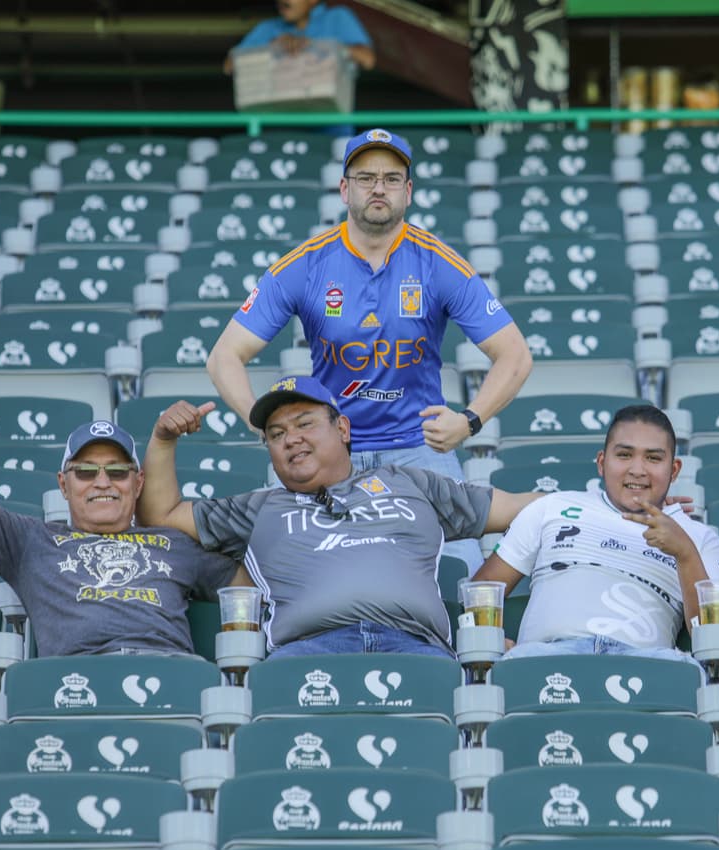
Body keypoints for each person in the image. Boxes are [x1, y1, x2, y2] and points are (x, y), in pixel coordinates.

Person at [206, 127, 533, 568]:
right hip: (330, 451)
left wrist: (469, 421)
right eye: (365, 178)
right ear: (345, 189)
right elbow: (224, 356)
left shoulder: (439, 262)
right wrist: (261, 423)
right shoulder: (306, 263)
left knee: (462, 577)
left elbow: (515, 354)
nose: (379, 188)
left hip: (420, 450)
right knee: (293, 575)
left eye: (392, 178)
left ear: (408, 192)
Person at [0, 328, 238, 658]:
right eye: (86, 471)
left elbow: (258, 587)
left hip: (170, 678)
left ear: (138, 484)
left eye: (118, 471)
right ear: (63, 484)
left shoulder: (175, 543)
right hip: (74, 692)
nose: (102, 482)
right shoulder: (31, 541)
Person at [138, 376, 541, 659]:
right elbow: (161, 515)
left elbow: (529, 510)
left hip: (418, 650)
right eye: (276, 434)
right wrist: (163, 439)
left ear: (343, 429)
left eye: (305, 424)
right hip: (304, 653)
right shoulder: (259, 507)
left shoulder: (409, 482)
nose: (291, 439)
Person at [472, 405, 719, 663]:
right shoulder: (552, 507)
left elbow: (715, 639)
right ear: (602, 462)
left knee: (689, 671)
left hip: (646, 663)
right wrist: (493, 640)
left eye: (653, 458)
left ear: (674, 470)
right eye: (624, 455)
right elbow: (483, 588)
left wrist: (685, 554)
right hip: (546, 656)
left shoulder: (699, 537)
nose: (637, 470)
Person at [224, 0, 376, 75]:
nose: (282, 2)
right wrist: (272, 47)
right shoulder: (268, 27)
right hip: (277, 122)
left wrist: (315, 46)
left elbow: (367, 60)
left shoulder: (337, 17)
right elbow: (229, 67)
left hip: (331, 124)